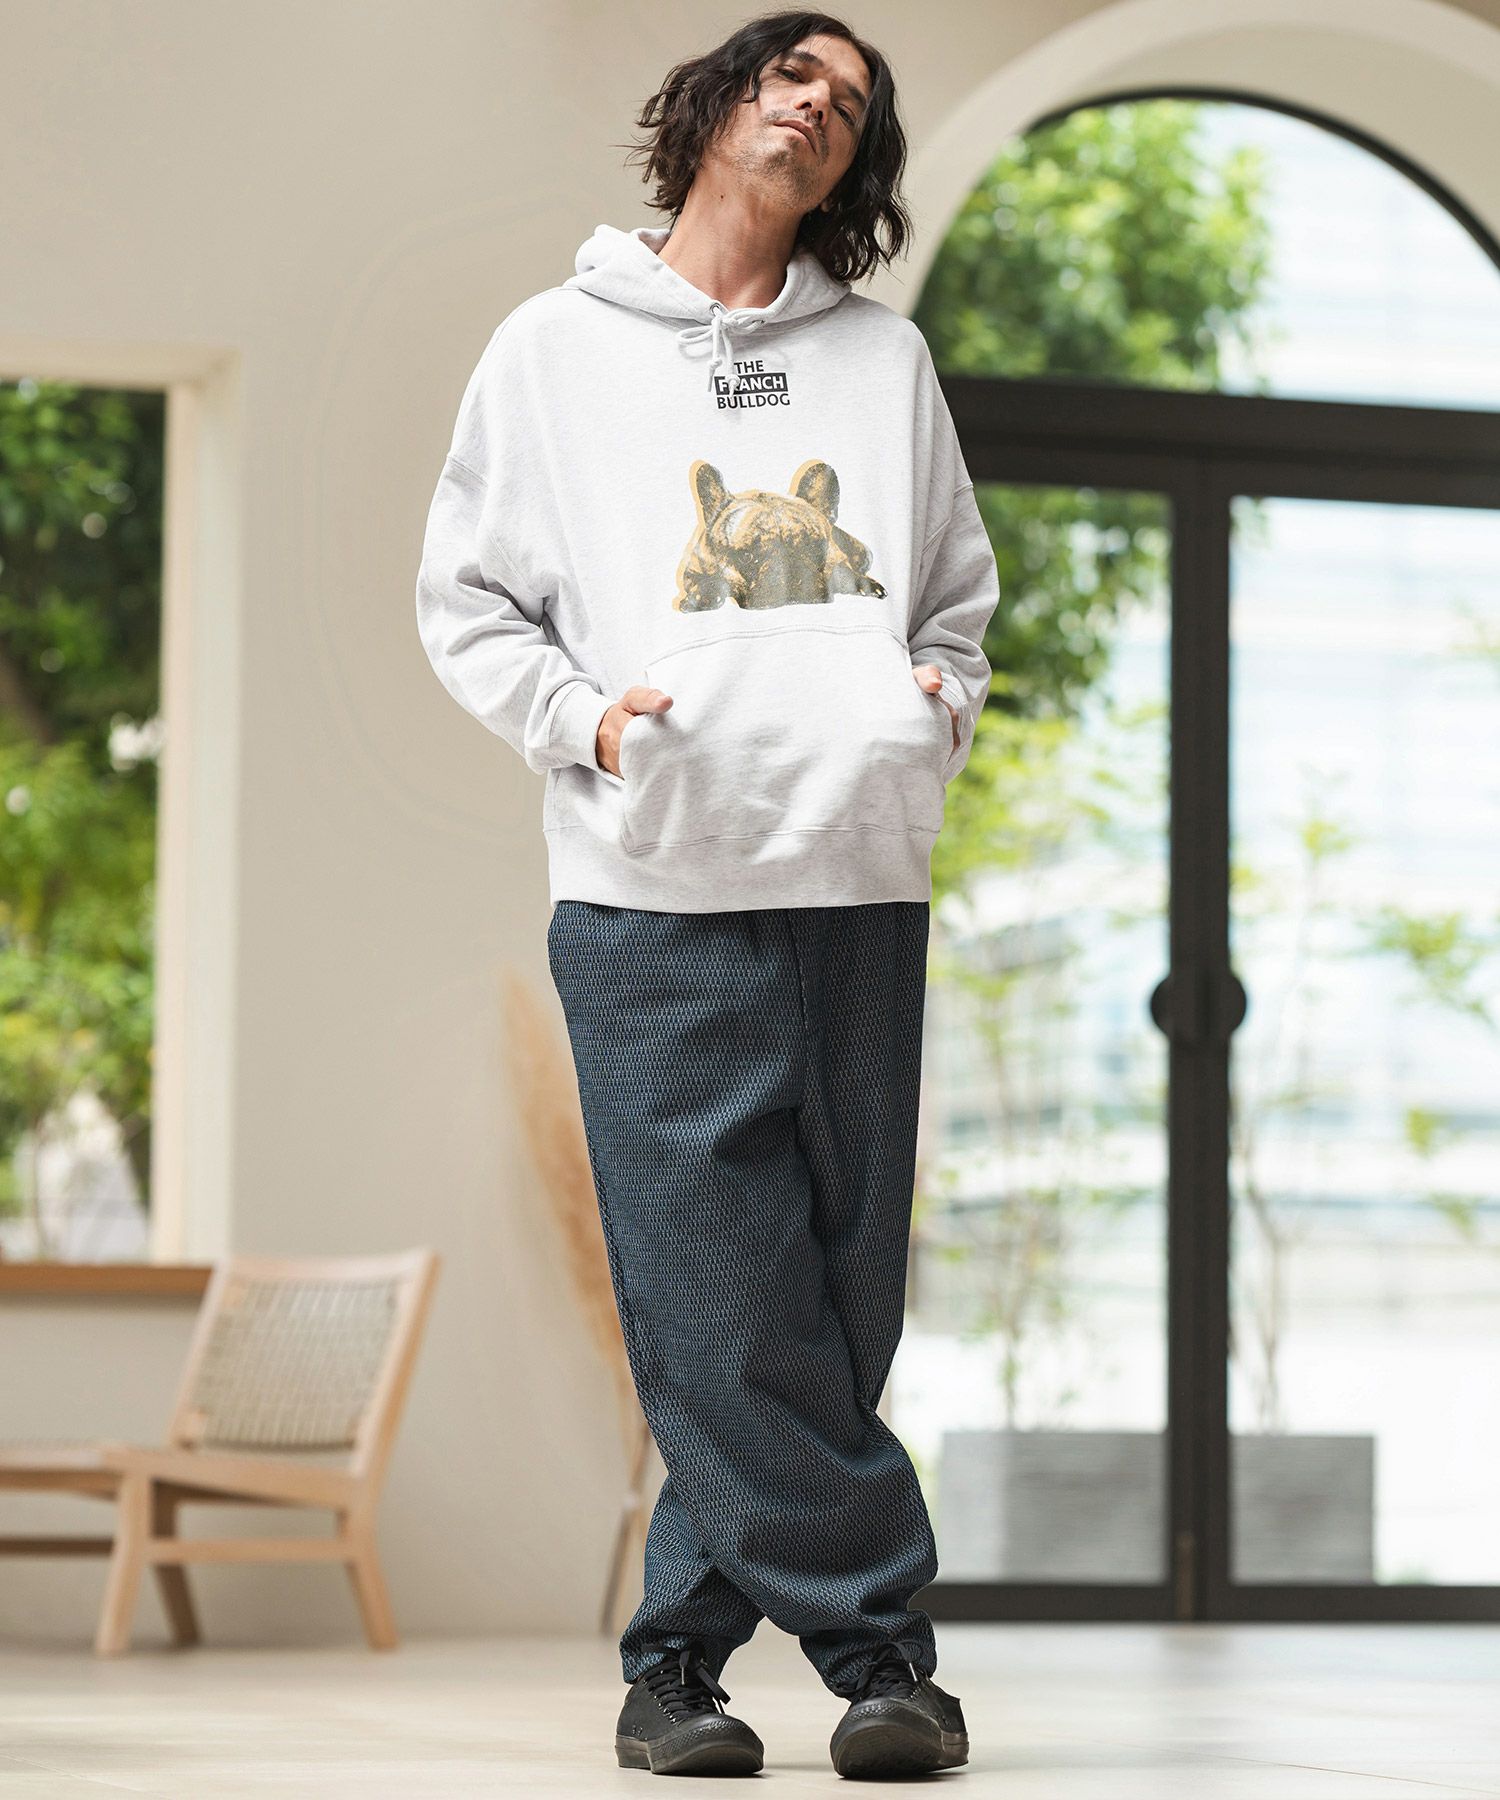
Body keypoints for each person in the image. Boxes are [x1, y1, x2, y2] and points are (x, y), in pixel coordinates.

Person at [415, 8, 998, 1780]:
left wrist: (931, 712)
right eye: (790, 74)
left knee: (832, 1297)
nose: (817, 106)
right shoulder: (552, 348)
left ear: (853, 169)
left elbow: (955, 597)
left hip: (860, 871)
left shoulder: (883, 363)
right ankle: (884, 1651)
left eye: (851, 104)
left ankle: (673, 1669)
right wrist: (585, 723)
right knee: (716, 1290)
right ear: (718, 104)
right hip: (652, 882)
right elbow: (467, 599)